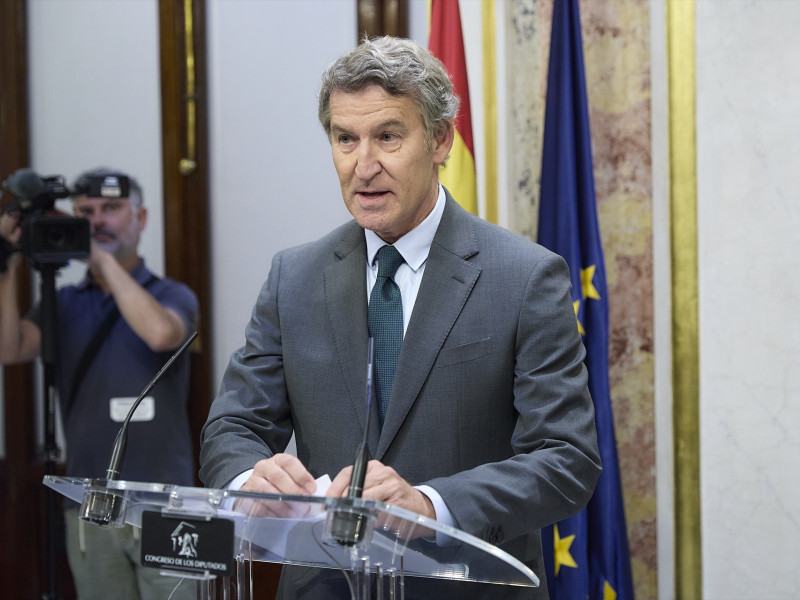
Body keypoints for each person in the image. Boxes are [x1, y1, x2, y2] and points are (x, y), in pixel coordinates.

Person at [199, 36, 601, 600]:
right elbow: (231, 429)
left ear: (440, 140)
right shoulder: (294, 277)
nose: (364, 165)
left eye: (388, 136)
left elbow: (566, 459)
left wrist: (433, 505)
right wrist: (251, 479)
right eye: (346, 139)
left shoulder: (525, 277)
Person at [0, 167, 198, 600]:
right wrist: (6, 261)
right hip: (90, 506)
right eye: (85, 212)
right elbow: (8, 348)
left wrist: (101, 260)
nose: (97, 221)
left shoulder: (172, 294)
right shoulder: (64, 302)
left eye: (110, 209)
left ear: (141, 218)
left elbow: (161, 334)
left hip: (167, 504)